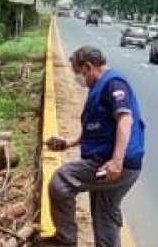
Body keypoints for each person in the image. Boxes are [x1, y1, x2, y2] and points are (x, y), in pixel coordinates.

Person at [42, 46, 145, 247]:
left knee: (61, 181)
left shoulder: (113, 83)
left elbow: (125, 120)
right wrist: (69, 143)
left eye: (78, 73)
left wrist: (116, 162)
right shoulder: (98, 87)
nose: (78, 79)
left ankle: (65, 240)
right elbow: (98, 128)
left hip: (114, 163)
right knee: (105, 215)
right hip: (123, 164)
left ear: (87, 67)